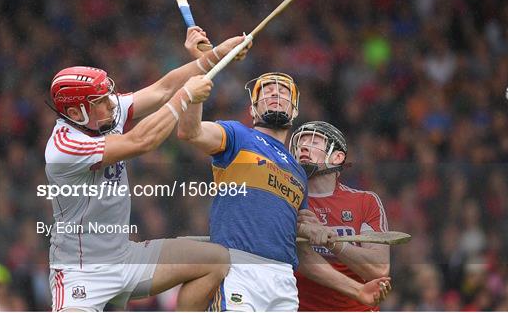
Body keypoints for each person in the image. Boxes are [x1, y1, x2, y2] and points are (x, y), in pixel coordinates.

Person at [44, 30, 250, 311]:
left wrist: (215, 55)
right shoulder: (64, 147)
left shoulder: (102, 114)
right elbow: (141, 141)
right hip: (80, 274)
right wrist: (185, 97)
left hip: (126, 257)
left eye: (107, 96)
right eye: (100, 101)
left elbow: (163, 89)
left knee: (216, 260)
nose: (111, 104)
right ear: (76, 112)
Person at [177, 72, 391, 311]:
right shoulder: (237, 135)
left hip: (284, 280)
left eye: (284, 92)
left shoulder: (298, 173)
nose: (275, 93)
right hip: (240, 269)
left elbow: (303, 255)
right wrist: (194, 95)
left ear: (295, 110)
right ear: (253, 110)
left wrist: (357, 290)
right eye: (266, 91)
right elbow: (190, 132)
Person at [290, 121, 391, 311]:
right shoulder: (287, 201)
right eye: (299, 143)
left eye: (313, 141)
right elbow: (301, 258)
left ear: (337, 157)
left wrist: (334, 242)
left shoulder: (365, 202)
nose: (302, 146)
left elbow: (378, 270)